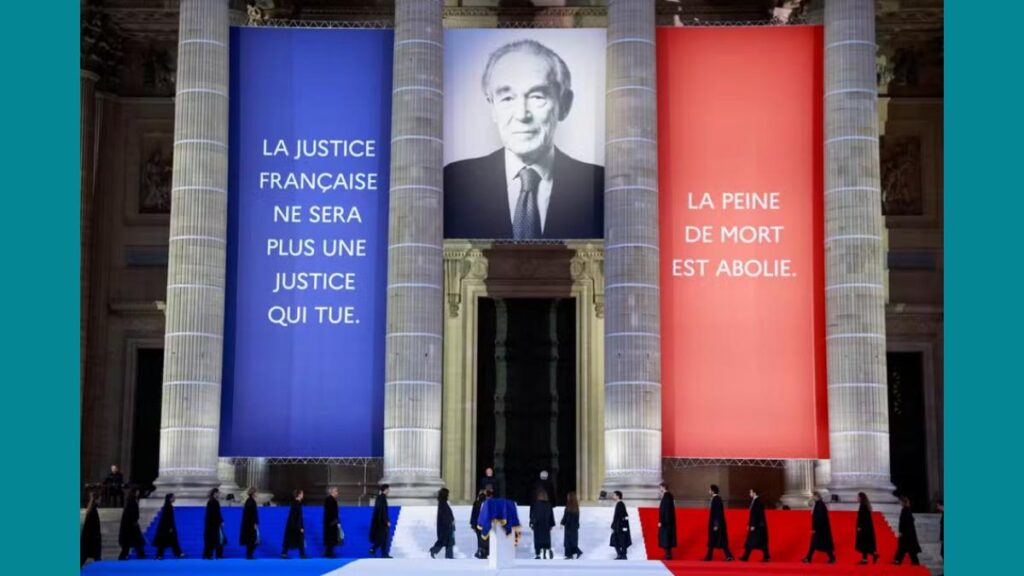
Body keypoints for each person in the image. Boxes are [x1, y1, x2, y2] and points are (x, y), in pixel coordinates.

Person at [444, 39, 604, 240]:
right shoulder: (452, 182)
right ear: (492, 108)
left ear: (564, 104)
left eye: (537, 96)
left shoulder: (601, 187)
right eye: (507, 98)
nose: (521, 114)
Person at [803, 491, 836, 564]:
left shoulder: (820, 505)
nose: (812, 497)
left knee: (817, 543)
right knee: (816, 543)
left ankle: (809, 558)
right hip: (820, 528)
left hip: (820, 529)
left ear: (816, 496)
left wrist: (815, 529)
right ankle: (809, 558)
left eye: (813, 496)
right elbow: (809, 505)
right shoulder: (818, 504)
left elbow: (819, 518)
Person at [705, 484, 734, 561]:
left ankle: (710, 557)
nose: (708, 491)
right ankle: (710, 556)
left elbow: (717, 513)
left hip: (717, 524)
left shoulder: (716, 499)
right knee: (716, 540)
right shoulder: (716, 499)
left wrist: (716, 524)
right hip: (716, 523)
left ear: (712, 491)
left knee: (716, 540)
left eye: (709, 490)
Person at [741, 488, 770, 562]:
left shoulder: (758, 501)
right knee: (755, 541)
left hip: (758, 526)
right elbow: (752, 515)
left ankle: (765, 557)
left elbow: (757, 515)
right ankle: (746, 556)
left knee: (757, 541)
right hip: (756, 525)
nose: (749, 493)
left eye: (750, 492)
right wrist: (749, 524)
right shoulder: (755, 501)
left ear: (754, 493)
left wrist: (753, 525)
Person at [153, 493, 184, 559]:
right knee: (166, 541)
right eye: (173, 497)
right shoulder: (168, 507)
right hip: (166, 527)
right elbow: (167, 518)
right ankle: (177, 553)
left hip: (166, 527)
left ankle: (177, 553)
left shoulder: (167, 506)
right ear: (170, 498)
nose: (174, 499)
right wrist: (170, 527)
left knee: (171, 541)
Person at [117, 488, 146, 560]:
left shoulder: (130, 501)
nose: (138, 493)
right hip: (131, 527)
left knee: (134, 545)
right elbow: (132, 515)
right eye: (137, 492)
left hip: (130, 527)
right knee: (133, 545)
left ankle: (141, 557)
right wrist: (134, 522)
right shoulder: (132, 502)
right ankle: (141, 557)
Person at [892, 496, 922, 565]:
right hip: (908, 535)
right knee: (909, 550)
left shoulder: (905, 510)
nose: (899, 503)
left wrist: (901, 532)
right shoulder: (907, 510)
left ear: (903, 502)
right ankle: (899, 561)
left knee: (904, 549)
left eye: (900, 501)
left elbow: (904, 523)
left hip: (906, 535)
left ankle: (898, 561)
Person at [429, 488, 456, 559]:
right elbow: (445, 515)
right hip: (446, 526)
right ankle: (434, 550)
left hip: (447, 525)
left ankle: (449, 556)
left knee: (449, 542)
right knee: (444, 540)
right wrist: (450, 523)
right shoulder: (442, 503)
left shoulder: (443, 502)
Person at [530, 488, 556, 559]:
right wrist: (551, 524)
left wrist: (531, 523)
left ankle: (538, 554)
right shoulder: (549, 505)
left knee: (538, 540)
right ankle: (546, 551)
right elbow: (551, 516)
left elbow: (532, 514)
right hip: (546, 526)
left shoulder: (535, 504)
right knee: (546, 539)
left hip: (538, 526)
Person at [281, 489, 307, 559]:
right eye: (302, 494)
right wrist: (300, 527)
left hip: (291, 525)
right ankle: (302, 554)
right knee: (300, 539)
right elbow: (298, 516)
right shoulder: (298, 504)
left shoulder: (294, 503)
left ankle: (284, 553)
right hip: (296, 525)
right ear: (299, 495)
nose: (303, 495)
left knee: (289, 539)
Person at [369, 484, 393, 558]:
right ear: (385, 490)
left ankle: (375, 549)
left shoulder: (380, 498)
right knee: (383, 537)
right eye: (388, 489)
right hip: (382, 522)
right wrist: (386, 521)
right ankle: (381, 552)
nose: (389, 491)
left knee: (382, 537)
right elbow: (383, 511)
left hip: (379, 521)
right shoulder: (382, 498)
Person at [855, 491, 879, 564]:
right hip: (867, 528)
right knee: (865, 544)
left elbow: (863, 518)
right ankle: (869, 557)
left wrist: (860, 527)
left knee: (864, 543)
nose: (857, 498)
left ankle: (866, 559)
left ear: (861, 498)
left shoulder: (863, 506)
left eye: (858, 497)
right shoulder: (864, 505)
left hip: (864, 528)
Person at [203, 488, 225, 559]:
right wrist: (220, 521)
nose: (219, 494)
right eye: (218, 493)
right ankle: (218, 555)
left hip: (210, 524)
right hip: (214, 525)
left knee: (211, 540)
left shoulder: (210, 501)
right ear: (215, 493)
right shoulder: (214, 502)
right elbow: (216, 514)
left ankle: (209, 555)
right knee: (218, 540)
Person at [609, 491, 631, 560]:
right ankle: (621, 555)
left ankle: (621, 555)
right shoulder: (620, 504)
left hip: (619, 526)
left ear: (618, 496)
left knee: (619, 540)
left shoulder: (620, 504)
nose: (613, 496)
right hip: (619, 526)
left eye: (614, 495)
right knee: (618, 540)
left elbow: (621, 516)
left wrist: (614, 526)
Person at [81, 492, 102, 566]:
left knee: (84, 556)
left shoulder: (91, 510)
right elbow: (93, 526)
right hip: (91, 539)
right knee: (95, 557)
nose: (100, 501)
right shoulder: (93, 511)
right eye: (99, 499)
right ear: (96, 500)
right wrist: (96, 537)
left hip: (89, 539)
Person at [657, 482, 678, 560]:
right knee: (666, 538)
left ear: (663, 487)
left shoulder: (667, 496)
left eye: (660, 487)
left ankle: (668, 555)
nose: (659, 489)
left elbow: (665, 511)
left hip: (666, 522)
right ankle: (668, 554)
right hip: (667, 521)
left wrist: (661, 521)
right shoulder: (668, 496)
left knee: (666, 538)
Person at [560, 490, 582, 559]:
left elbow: (565, 516)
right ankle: (575, 553)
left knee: (567, 542)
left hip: (569, 526)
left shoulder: (568, 507)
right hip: (574, 527)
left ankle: (570, 555)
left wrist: (562, 523)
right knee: (572, 541)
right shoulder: (576, 507)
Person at [239, 487, 259, 559]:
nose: (257, 494)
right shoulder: (251, 502)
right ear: (253, 493)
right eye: (256, 492)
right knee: (252, 539)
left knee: (251, 540)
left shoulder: (249, 501)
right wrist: (255, 523)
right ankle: (249, 555)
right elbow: (252, 514)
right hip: (250, 524)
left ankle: (249, 554)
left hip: (248, 524)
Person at [323, 486, 342, 558]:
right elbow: (330, 512)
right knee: (330, 537)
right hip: (330, 522)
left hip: (332, 521)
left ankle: (329, 552)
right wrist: (334, 521)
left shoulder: (333, 500)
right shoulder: (329, 500)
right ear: (332, 492)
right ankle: (328, 552)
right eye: (336, 491)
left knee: (332, 538)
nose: (337, 492)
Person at [470, 490, 489, 559]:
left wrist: (472, 524)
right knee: (482, 538)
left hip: (481, 524)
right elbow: (474, 514)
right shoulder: (482, 503)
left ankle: (482, 552)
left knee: (482, 538)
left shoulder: (484, 504)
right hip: (481, 524)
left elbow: (473, 514)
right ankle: (482, 552)